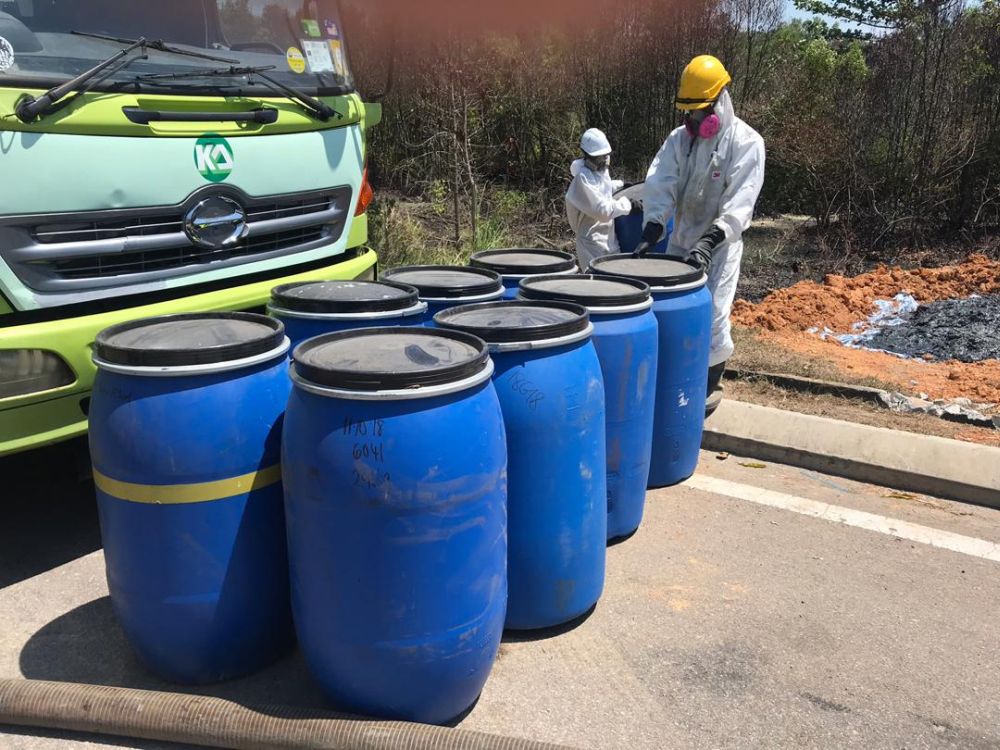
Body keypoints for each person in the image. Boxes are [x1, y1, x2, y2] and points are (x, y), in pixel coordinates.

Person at [637, 55, 765, 415]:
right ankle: (675, 380)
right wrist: (654, 224)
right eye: (688, 112)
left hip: (720, 248)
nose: (692, 119)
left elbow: (740, 203)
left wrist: (711, 240)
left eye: (698, 111)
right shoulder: (681, 140)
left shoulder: (746, 143)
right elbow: (662, 181)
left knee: (713, 315)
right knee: (670, 312)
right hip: (681, 243)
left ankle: (709, 384)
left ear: (719, 101)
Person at [565, 128, 634, 270]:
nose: (603, 160)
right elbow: (602, 211)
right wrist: (628, 204)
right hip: (591, 243)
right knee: (598, 286)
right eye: (599, 157)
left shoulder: (599, 171)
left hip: (609, 238)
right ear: (587, 156)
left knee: (620, 282)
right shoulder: (582, 179)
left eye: (605, 156)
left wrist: (621, 185)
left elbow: (603, 187)